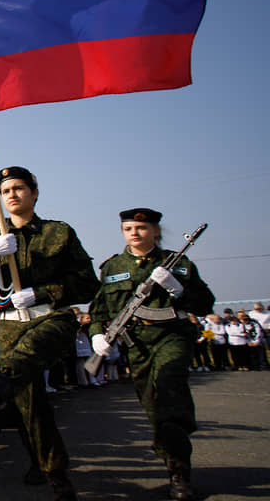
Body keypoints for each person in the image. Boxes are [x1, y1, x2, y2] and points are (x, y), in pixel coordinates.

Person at [0, 166, 99, 500]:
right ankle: (51, 471)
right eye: (5, 191)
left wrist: (43, 292)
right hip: (9, 326)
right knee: (31, 406)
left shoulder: (58, 233)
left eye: (18, 188)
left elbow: (88, 284)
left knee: (27, 360)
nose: (12, 195)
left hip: (48, 319)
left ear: (34, 192)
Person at [89, 208, 215, 500]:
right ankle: (171, 455)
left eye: (142, 228)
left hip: (171, 336)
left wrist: (177, 288)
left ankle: (179, 471)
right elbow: (99, 309)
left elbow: (206, 303)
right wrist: (98, 334)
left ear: (155, 231)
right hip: (138, 344)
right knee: (154, 407)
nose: (134, 233)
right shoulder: (112, 267)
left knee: (169, 389)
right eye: (128, 228)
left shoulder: (179, 263)